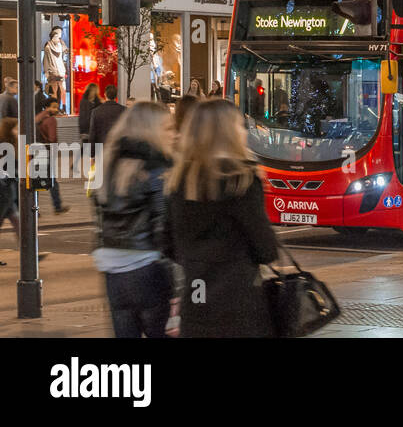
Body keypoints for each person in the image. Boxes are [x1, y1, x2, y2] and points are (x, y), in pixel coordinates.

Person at [164, 99, 279, 337]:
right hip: (238, 298)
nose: (243, 130)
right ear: (227, 132)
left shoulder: (178, 180)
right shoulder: (241, 179)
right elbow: (266, 249)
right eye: (239, 125)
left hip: (196, 294)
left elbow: (166, 243)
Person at [93, 101, 174, 337]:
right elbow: (163, 224)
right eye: (168, 128)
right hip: (147, 267)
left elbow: (99, 214)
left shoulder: (108, 164)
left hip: (112, 269)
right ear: (153, 129)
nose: (174, 134)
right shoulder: (157, 165)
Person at [35, 98, 69, 213]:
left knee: (37, 180)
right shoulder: (51, 120)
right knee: (52, 180)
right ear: (47, 107)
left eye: (57, 106)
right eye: (54, 106)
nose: (56, 109)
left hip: (36, 151)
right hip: (47, 151)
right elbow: (52, 138)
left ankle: (35, 208)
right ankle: (57, 206)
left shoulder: (38, 117)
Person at [88, 85, 129, 163]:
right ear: (116, 95)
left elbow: (92, 134)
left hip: (102, 150)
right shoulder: (124, 110)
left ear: (105, 94)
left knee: (102, 173)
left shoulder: (96, 111)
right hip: (119, 150)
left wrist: (92, 155)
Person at [0, 117, 18, 265]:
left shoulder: (10, 144)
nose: (19, 131)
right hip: (3, 190)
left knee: (17, 221)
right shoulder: (6, 146)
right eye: (16, 128)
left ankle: (29, 253)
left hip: (7, 190)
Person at [43, 26, 67, 110]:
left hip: (59, 71)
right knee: (55, 92)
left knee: (61, 91)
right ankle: (56, 108)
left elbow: (65, 53)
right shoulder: (48, 47)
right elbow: (45, 60)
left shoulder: (60, 45)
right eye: (58, 34)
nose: (60, 37)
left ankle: (61, 108)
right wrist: (47, 72)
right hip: (54, 72)